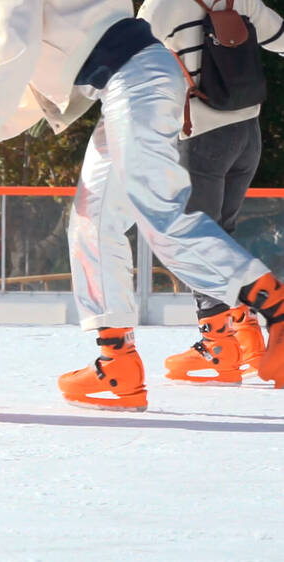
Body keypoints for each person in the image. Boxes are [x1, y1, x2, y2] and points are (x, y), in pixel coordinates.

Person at [0, 0, 284, 411]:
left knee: (160, 214)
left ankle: (273, 304)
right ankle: (117, 361)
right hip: (134, 84)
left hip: (137, 84)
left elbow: (18, 48)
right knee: (93, 221)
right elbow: (39, 73)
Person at [137, 0, 284, 383]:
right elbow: (280, 37)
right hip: (246, 133)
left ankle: (218, 345)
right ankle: (247, 336)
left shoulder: (164, 4)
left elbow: (131, 59)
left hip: (200, 134)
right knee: (224, 235)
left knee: (194, 240)